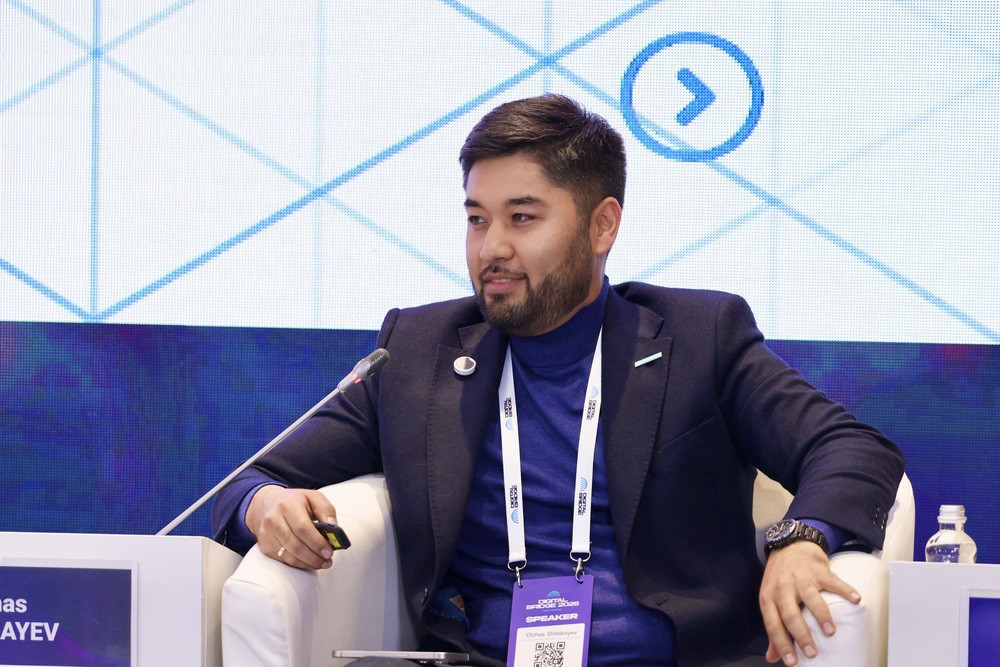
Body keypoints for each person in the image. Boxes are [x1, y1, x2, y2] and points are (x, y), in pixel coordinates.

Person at [211, 94, 904, 666]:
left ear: (602, 226)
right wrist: (264, 505)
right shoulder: (419, 351)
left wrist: (801, 538)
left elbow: (851, 447)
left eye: (522, 218)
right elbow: (248, 483)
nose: (491, 249)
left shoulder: (698, 337)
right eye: (476, 219)